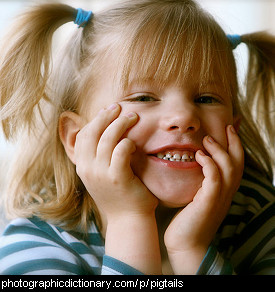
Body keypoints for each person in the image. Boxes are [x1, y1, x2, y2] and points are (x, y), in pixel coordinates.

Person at [0, 0, 274, 275]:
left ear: (233, 129)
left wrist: (190, 249)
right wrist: (129, 222)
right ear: (76, 138)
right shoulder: (37, 242)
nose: (184, 117)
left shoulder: (257, 214)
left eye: (205, 98)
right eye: (143, 97)